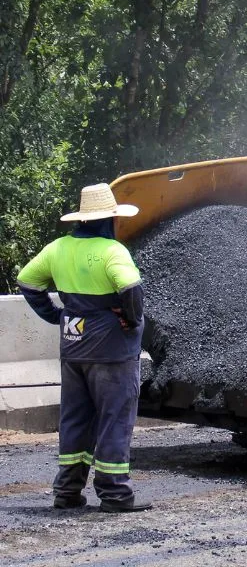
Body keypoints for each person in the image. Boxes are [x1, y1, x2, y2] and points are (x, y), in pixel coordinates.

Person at [15, 184, 151, 512]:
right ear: (109, 220)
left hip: (73, 347)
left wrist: (59, 315)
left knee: (76, 418)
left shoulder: (57, 249)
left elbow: (27, 281)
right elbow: (131, 289)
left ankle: (67, 491)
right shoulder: (112, 251)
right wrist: (132, 321)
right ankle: (115, 494)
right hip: (111, 352)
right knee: (114, 418)